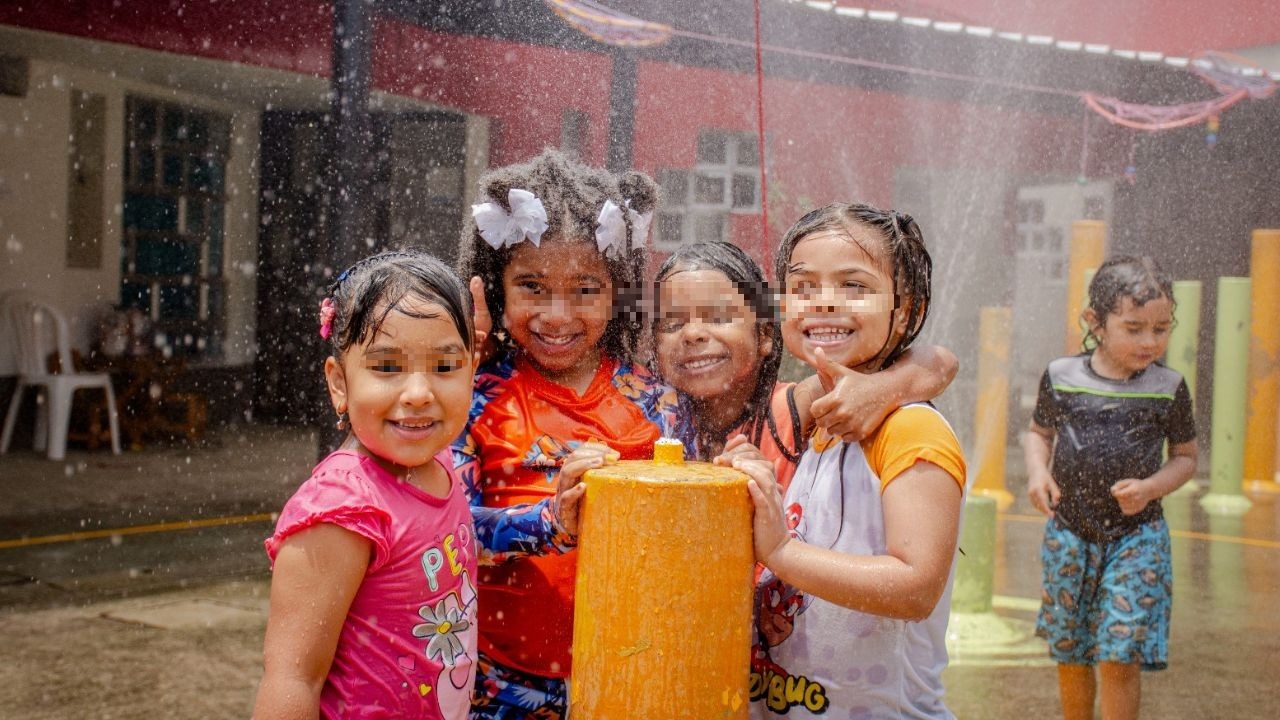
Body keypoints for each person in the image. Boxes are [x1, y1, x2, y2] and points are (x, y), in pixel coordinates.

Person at [454, 149, 689, 719]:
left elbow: (686, 537)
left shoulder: (658, 402)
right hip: (499, 686)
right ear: (496, 288)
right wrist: (550, 522)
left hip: (630, 675)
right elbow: (446, 535)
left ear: (617, 290)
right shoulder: (471, 400)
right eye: (532, 287)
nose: (558, 316)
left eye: (585, 290)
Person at [739, 203, 967, 718]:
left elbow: (916, 589)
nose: (823, 301)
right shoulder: (812, 419)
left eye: (853, 285)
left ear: (905, 310)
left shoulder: (910, 429)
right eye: (803, 286)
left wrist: (781, 553)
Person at [253, 251, 481, 719]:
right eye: (387, 368)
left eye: (444, 367)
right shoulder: (343, 509)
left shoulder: (440, 462)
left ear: (472, 371)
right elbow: (293, 678)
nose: (418, 394)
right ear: (339, 383)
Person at [1024, 255, 1196, 720]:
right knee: (1072, 650)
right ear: (1095, 322)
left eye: (1161, 329)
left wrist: (1151, 487)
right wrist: (1038, 472)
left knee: (1121, 652)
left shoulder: (1168, 386)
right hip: (1070, 533)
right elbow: (1039, 434)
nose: (1150, 341)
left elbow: (1186, 457)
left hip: (1137, 536)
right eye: (1134, 328)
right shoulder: (1062, 377)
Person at [651, 240, 958, 489]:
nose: (691, 333)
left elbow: (942, 363)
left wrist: (882, 389)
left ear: (765, 334)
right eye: (671, 323)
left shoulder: (792, 410)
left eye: (718, 317)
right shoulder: (649, 415)